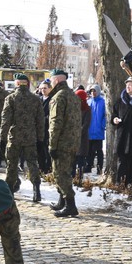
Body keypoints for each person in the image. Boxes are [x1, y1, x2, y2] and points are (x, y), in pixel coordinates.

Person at [1, 74, 45, 201]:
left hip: (14, 137)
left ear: (17, 84)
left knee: (12, 164)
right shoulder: (36, 99)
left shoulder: (11, 98)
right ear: (27, 83)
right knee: (32, 164)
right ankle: (36, 190)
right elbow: (40, 121)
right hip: (30, 137)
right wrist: (40, 138)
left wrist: (2, 138)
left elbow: (6, 120)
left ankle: (9, 191)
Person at [47, 69, 81, 217]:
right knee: (64, 172)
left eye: (51, 79)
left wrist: (52, 145)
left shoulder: (59, 97)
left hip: (62, 142)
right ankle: (62, 201)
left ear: (56, 80)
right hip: (72, 141)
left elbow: (55, 123)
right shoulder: (73, 96)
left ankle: (70, 205)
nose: (50, 82)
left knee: (60, 174)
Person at [86, 85, 107, 174]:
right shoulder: (89, 102)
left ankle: (99, 167)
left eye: (94, 91)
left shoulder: (103, 102)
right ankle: (89, 166)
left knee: (99, 150)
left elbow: (105, 115)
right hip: (90, 131)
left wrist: (102, 125)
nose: (93, 93)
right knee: (89, 151)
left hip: (98, 131)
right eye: (91, 91)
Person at [74, 88, 92, 180]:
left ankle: (79, 178)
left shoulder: (87, 109)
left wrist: (78, 132)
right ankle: (72, 177)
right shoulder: (73, 108)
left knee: (81, 160)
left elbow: (86, 124)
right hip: (72, 138)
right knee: (73, 160)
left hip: (82, 138)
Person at [38, 80, 53, 174]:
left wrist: (43, 118)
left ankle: (48, 169)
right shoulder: (38, 99)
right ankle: (41, 168)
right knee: (39, 151)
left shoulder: (52, 100)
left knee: (47, 151)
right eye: (42, 88)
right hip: (38, 130)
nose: (43, 90)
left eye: (45, 88)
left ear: (50, 89)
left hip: (47, 129)